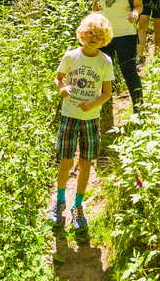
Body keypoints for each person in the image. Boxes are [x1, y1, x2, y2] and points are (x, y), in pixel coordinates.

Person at [49, 12, 114, 230]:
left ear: (105, 38)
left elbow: (106, 93)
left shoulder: (105, 61)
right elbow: (58, 78)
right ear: (82, 33)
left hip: (90, 119)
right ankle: (59, 201)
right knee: (66, 161)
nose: (93, 37)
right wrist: (62, 88)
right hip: (69, 115)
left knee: (86, 162)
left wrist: (93, 104)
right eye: (90, 32)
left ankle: (78, 206)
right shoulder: (70, 56)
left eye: (99, 34)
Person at [92, 0, 145, 111]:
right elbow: (96, 3)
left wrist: (135, 12)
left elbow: (139, 5)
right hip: (105, 33)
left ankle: (139, 108)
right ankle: (105, 102)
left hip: (126, 33)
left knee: (128, 70)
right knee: (102, 71)